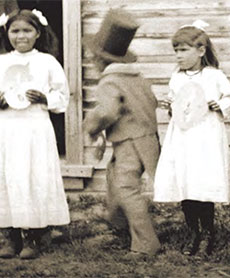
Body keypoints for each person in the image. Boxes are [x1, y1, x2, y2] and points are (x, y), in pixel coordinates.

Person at [0, 9, 70, 260]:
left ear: (38, 33)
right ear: (7, 33)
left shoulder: (47, 62)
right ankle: (9, 236)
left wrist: (46, 98)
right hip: (6, 127)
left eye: (27, 30)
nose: (21, 36)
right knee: (5, 177)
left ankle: (33, 236)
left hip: (35, 127)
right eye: (15, 31)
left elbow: (62, 95)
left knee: (33, 177)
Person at [152, 20, 230, 256]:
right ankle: (194, 232)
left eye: (183, 50)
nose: (178, 56)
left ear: (201, 51)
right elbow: (176, 103)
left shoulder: (214, 76)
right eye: (176, 51)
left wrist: (218, 104)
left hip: (206, 136)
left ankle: (208, 234)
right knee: (185, 181)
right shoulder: (176, 77)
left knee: (202, 183)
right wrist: (170, 106)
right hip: (182, 135)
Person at [82, 9, 161, 259]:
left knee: (127, 189)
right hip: (146, 139)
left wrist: (91, 126)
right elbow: (152, 103)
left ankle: (146, 244)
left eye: (92, 58)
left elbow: (107, 112)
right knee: (115, 180)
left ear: (99, 60)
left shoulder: (109, 81)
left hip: (129, 142)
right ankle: (120, 228)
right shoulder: (139, 79)